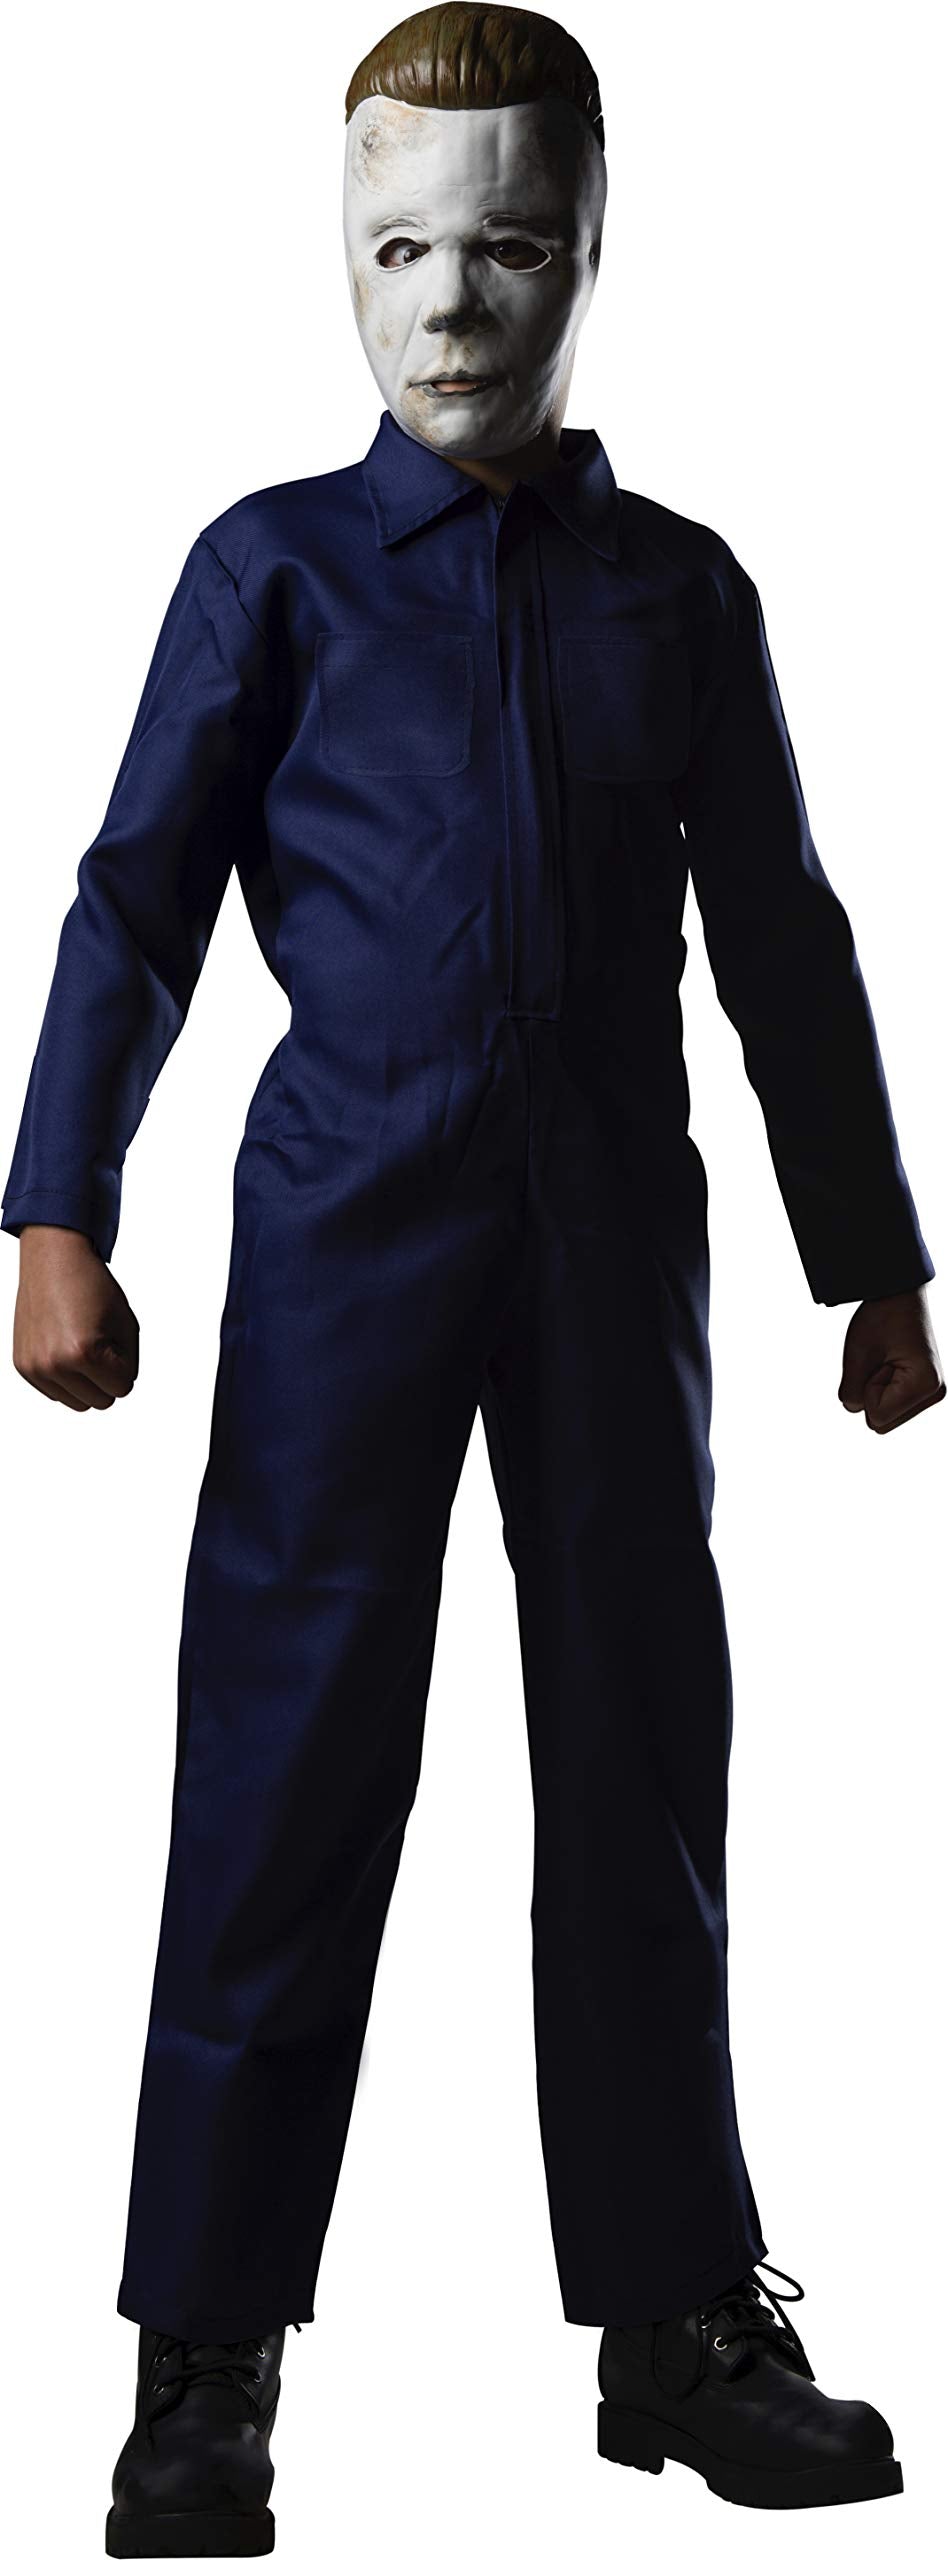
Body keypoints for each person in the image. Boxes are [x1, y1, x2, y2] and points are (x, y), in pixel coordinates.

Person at [4, 7, 942, 2547]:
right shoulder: (274, 572)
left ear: (595, 247)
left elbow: (786, 934)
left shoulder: (680, 590)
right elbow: (133, 900)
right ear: (342, 247)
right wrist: (58, 1204)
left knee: (643, 1754)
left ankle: (678, 2316)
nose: (448, 302)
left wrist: (871, 1256)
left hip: (613, 1233)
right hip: (347, 1227)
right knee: (284, 1756)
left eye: (510, 245)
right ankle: (204, 2356)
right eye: (401, 243)